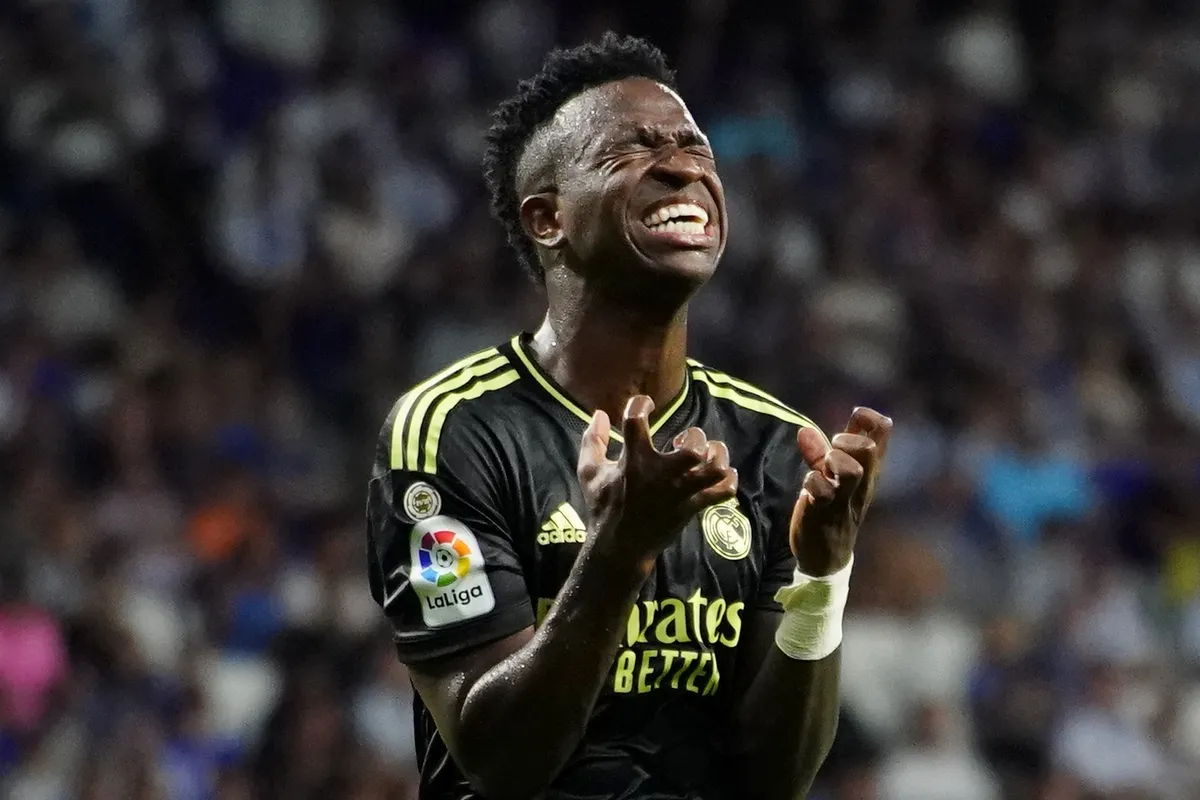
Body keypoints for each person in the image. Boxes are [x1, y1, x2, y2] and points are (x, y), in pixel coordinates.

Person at [365, 32, 893, 800]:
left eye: (695, 146)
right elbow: (501, 761)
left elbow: (774, 779)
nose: (684, 167)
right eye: (633, 149)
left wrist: (824, 574)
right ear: (548, 219)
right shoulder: (454, 432)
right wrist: (619, 552)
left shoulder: (777, 444)